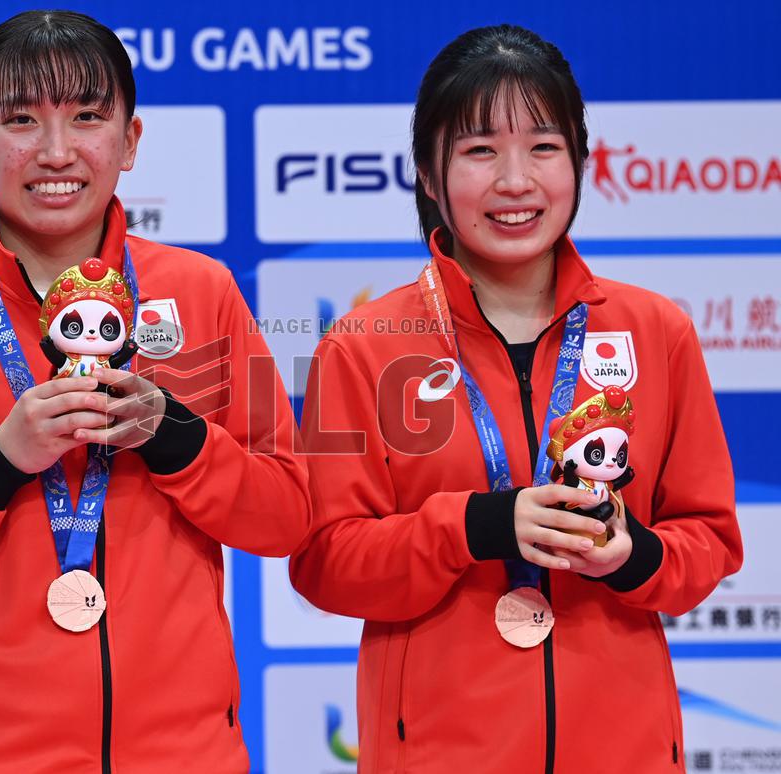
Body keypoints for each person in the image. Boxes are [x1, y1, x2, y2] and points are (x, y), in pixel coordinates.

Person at [0, 10, 309, 773]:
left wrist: (175, 437)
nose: (56, 152)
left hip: (185, 757)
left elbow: (287, 515)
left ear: (131, 140)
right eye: (21, 120)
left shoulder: (202, 291)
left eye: (87, 117)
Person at [290, 24, 741, 774]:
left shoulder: (655, 331)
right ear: (430, 177)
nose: (515, 180)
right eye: (479, 150)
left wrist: (633, 555)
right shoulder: (364, 343)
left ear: (579, 164)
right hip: (436, 753)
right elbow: (324, 561)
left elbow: (712, 541)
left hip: (624, 751)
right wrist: (477, 524)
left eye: (543, 146)